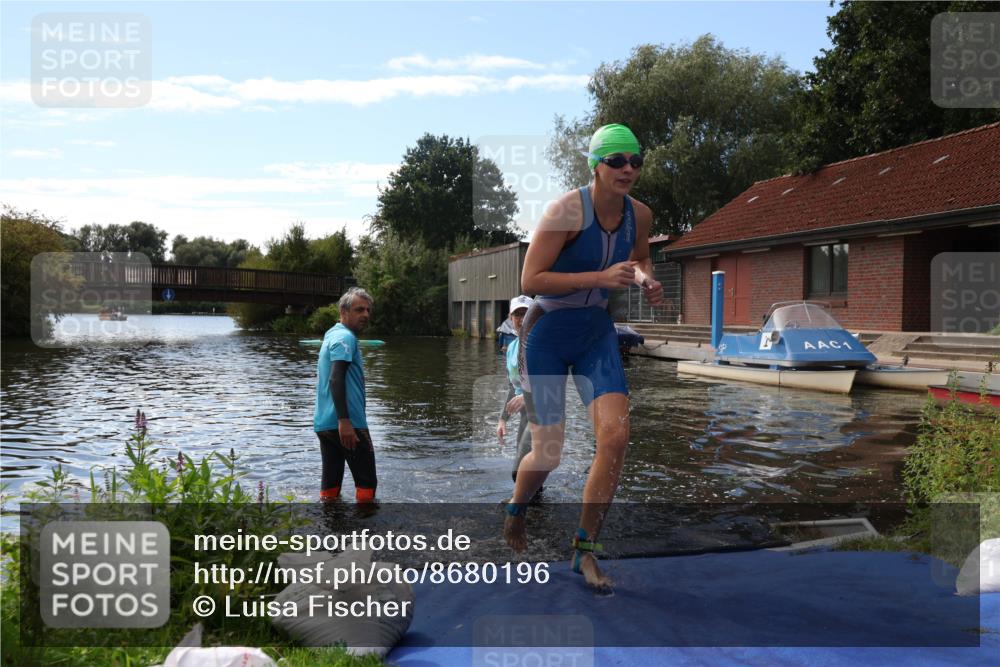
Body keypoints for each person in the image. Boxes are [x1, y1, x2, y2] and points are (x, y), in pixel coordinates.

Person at [504, 124, 664, 591]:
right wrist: (599, 275)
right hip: (548, 331)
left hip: (596, 330)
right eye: (616, 160)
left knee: (615, 439)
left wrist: (644, 281)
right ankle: (516, 509)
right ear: (595, 164)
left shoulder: (641, 215)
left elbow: (639, 260)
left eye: (636, 160)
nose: (628, 169)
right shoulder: (566, 211)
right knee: (549, 452)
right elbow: (531, 278)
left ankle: (584, 550)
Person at [313, 287, 377, 503]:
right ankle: (367, 533)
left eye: (368, 310)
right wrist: (345, 422)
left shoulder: (332, 334)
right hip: (348, 424)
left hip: (325, 424)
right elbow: (335, 378)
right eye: (359, 309)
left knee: (330, 487)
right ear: (344, 311)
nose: (365, 315)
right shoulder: (345, 338)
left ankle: (330, 529)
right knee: (367, 485)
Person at [495, 295, 537, 490]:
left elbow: (553, 383)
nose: (521, 319)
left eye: (526, 314)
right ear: (510, 318)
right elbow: (513, 387)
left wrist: (526, 396)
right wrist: (503, 419)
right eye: (517, 314)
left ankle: (521, 510)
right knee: (528, 473)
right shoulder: (511, 349)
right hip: (524, 417)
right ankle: (534, 512)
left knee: (520, 471)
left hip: (542, 415)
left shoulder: (542, 345)